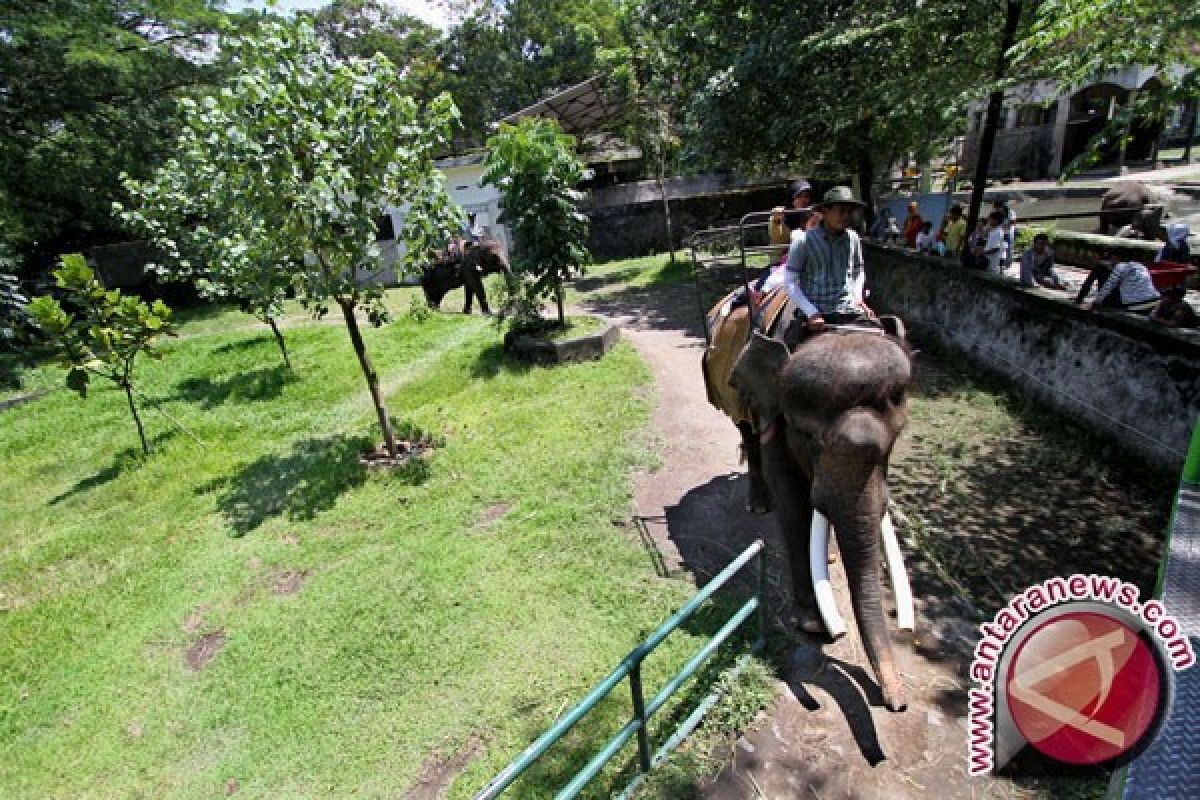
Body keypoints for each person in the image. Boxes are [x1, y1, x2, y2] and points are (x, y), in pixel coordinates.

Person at [781, 186, 876, 348]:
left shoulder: (853, 239)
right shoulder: (803, 241)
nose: (846, 216)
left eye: (849, 212)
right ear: (825, 211)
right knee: (789, 354)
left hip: (847, 310)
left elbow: (858, 270)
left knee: (882, 340)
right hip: (816, 311)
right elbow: (789, 281)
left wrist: (858, 298)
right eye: (841, 211)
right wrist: (811, 312)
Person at [1085, 259, 1160, 311]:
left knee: (1107, 302)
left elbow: (1108, 286)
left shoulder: (1120, 266)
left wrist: (1097, 301)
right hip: (1154, 300)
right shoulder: (1142, 267)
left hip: (1136, 304)